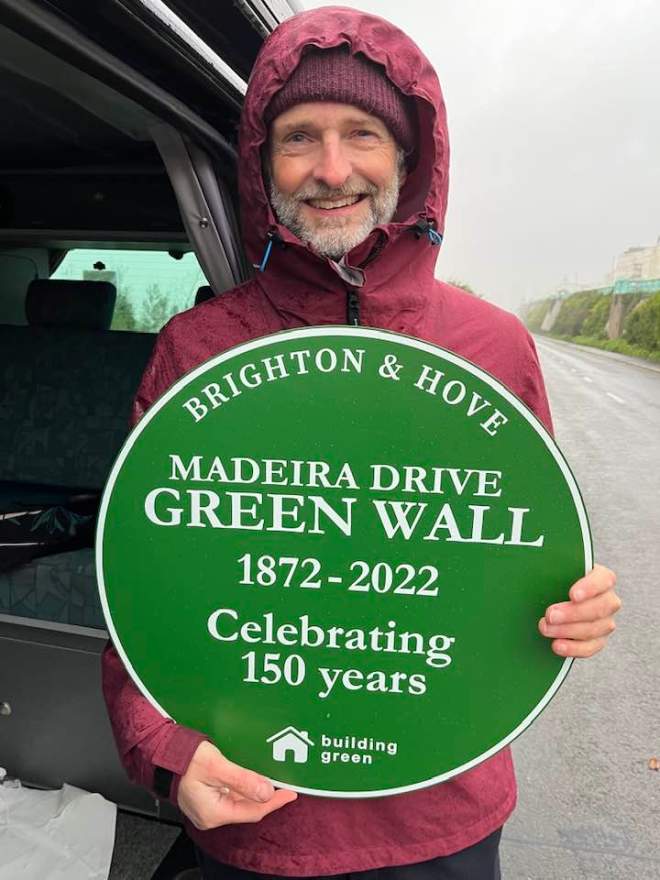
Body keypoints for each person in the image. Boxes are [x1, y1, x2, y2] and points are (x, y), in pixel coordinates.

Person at [102, 7, 621, 879]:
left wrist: (570, 610)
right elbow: (142, 575)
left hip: (440, 817)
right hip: (249, 809)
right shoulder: (196, 350)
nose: (332, 168)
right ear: (263, 164)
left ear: (411, 160)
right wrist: (164, 750)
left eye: (364, 133)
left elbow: (517, 547)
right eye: (299, 136)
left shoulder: (493, 346)